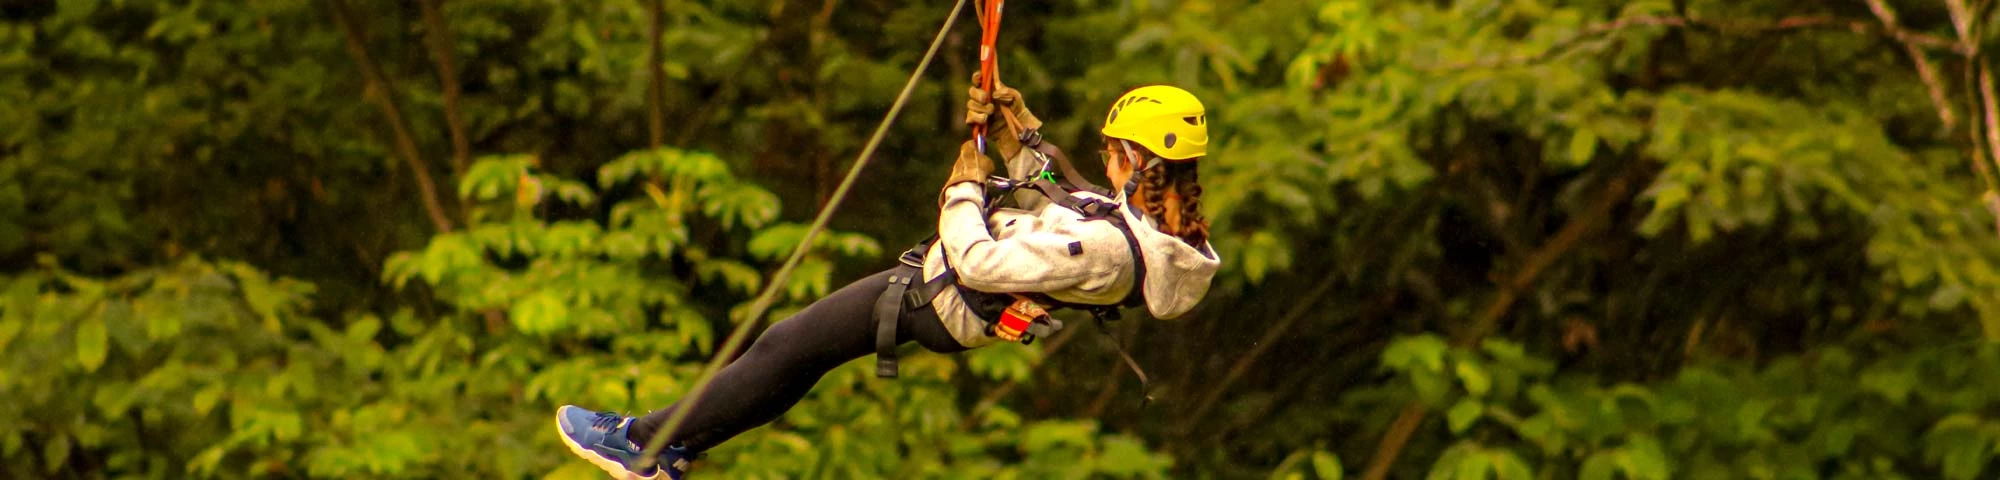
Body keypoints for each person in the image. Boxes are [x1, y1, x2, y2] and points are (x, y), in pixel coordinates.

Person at [553, 79, 1221, 480]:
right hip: (946, 294)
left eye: (1110, 149)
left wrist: (962, 190)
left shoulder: (1110, 249)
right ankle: (664, 447)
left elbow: (980, 262)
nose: (1103, 158)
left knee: (786, 347)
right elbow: (1058, 197)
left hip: (946, 299)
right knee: (795, 358)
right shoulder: (1146, 223)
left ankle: (645, 446)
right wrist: (1017, 135)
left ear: (1133, 156)